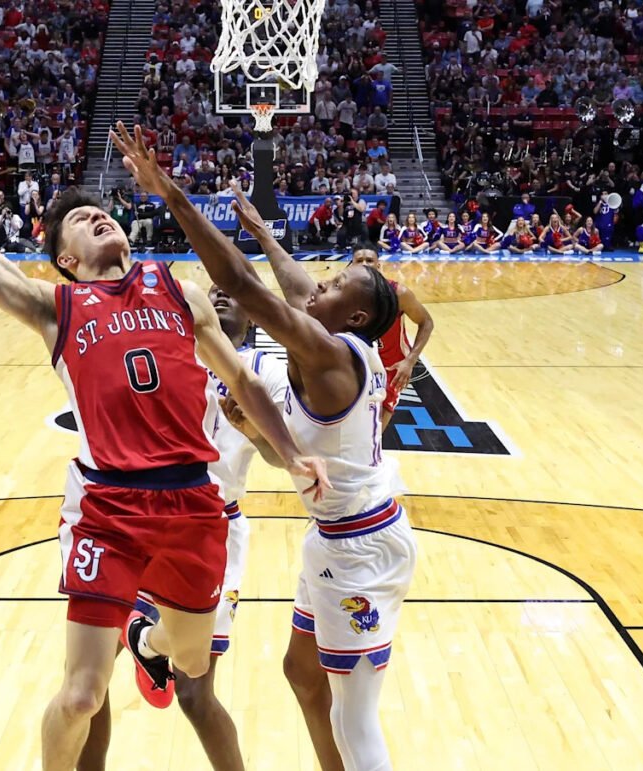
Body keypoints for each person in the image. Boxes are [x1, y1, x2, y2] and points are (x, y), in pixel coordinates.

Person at [0, 133, 327, 771]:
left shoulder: (179, 292)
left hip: (193, 505)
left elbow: (242, 380)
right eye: (80, 220)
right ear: (66, 260)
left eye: (101, 212)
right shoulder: (56, 307)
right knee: (81, 696)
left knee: (189, 660)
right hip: (110, 509)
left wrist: (291, 452)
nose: (98, 216)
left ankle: (147, 640)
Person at [112, 121, 416, 771]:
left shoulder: (328, 356)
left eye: (333, 287)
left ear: (354, 317)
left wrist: (172, 196)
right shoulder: (340, 340)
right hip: (337, 537)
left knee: (356, 717)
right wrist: (264, 232)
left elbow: (246, 287)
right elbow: (292, 284)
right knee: (302, 674)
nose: (317, 287)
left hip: (361, 547)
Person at [80, 285, 290, 771]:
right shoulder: (166, 350)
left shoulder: (264, 371)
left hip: (213, 530)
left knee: (194, 695)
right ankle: (145, 645)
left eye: (232, 293)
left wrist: (254, 430)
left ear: (253, 317)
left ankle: (150, 644)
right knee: (90, 681)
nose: (220, 295)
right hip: (140, 515)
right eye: (213, 290)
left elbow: (282, 458)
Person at [351, 248, 435, 429]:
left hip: (391, 367)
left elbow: (426, 322)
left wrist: (409, 361)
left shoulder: (398, 293)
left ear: (378, 265)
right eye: (359, 260)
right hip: (356, 361)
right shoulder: (344, 294)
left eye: (369, 260)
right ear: (351, 266)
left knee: (375, 432)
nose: (365, 264)